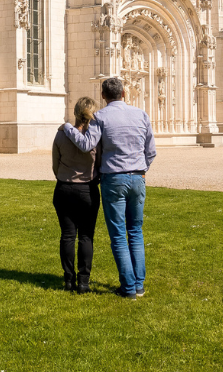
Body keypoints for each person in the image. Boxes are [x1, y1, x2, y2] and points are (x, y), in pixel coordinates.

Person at [59, 77, 155, 298]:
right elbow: (150, 151)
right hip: (138, 177)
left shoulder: (100, 117)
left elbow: (85, 144)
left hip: (114, 179)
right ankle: (138, 285)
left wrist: (66, 126)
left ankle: (129, 288)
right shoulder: (141, 114)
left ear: (103, 95)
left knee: (119, 234)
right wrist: (141, 169)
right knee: (136, 232)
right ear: (124, 94)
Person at [52, 97, 102, 293]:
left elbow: (55, 165)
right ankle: (83, 282)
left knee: (67, 236)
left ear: (75, 112)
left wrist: (65, 176)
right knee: (86, 237)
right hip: (87, 190)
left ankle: (68, 280)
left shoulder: (61, 135)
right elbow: (99, 165)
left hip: (64, 188)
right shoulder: (95, 139)